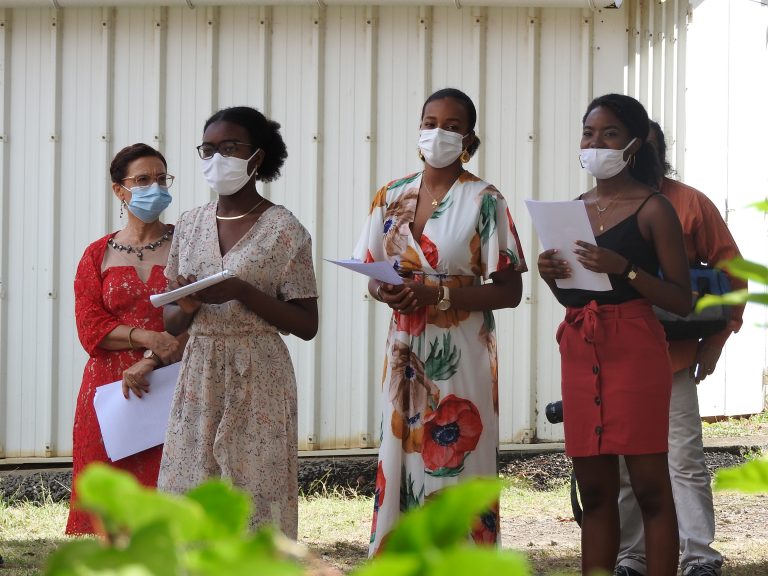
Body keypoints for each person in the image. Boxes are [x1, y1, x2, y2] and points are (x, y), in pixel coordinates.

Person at [353, 88, 527, 555]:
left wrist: (441, 294)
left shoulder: (485, 199)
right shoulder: (390, 195)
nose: (438, 132)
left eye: (452, 126)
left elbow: (510, 291)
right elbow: (371, 273)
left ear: (468, 137)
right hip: (404, 346)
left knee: (456, 455)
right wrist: (385, 290)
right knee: (402, 451)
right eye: (430, 122)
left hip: (461, 347)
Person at [537, 94, 692, 576]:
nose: (595, 144)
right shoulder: (571, 211)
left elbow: (681, 300)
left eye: (609, 134)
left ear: (633, 144)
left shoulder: (654, 208)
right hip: (581, 347)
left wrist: (624, 269)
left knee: (649, 489)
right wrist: (550, 275)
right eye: (589, 134)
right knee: (596, 491)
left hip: (636, 348)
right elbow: (575, 297)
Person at [157, 106, 318, 539]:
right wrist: (186, 305)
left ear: (257, 157)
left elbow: (307, 324)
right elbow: (172, 322)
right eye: (208, 150)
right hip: (200, 371)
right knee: (192, 485)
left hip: (259, 371)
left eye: (229, 148)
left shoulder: (285, 229)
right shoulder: (189, 225)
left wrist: (244, 291)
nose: (217, 159)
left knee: (256, 487)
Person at [614, 122, 746, 576]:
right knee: (624, 464)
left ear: (659, 152)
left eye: (646, 148)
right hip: (617, 358)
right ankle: (631, 558)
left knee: (684, 459)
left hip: (674, 357)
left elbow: (733, 272)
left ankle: (700, 558)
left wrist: (717, 340)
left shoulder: (690, 203)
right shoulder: (601, 205)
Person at [67, 143, 184, 535]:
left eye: (162, 179)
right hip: (108, 390)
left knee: (167, 493)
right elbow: (89, 325)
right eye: (143, 180)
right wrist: (148, 336)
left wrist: (155, 355)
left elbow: (201, 313)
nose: (156, 187)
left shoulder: (186, 244)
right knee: (109, 503)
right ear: (119, 190)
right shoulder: (97, 254)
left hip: (171, 381)